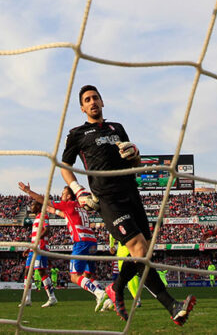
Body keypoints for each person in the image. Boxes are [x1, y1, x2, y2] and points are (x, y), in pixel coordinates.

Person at [60, 84, 197, 325]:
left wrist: (135, 151)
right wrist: (77, 190)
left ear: (103, 102)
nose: (92, 102)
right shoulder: (77, 134)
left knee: (143, 254)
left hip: (131, 193)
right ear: (82, 107)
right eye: (87, 100)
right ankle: (119, 288)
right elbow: (65, 167)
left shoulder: (118, 128)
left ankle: (172, 306)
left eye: (96, 98)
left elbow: (134, 158)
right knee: (138, 247)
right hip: (108, 198)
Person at [19, 181, 110, 311]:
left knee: (74, 276)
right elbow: (61, 213)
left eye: (63, 194)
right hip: (92, 242)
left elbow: (45, 201)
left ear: (68, 197)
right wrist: (49, 209)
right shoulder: (79, 206)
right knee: (88, 275)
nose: (61, 196)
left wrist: (28, 191)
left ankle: (100, 294)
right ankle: (107, 300)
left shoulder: (68, 205)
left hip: (81, 241)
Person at [22, 200, 59, 307]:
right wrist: (29, 248)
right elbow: (34, 237)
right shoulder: (36, 218)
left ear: (38, 206)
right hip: (33, 248)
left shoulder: (44, 216)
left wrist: (37, 241)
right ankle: (27, 299)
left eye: (33, 205)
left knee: (41, 271)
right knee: (27, 271)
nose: (31, 207)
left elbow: (47, 230)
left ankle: (52, 298)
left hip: (41, 247)